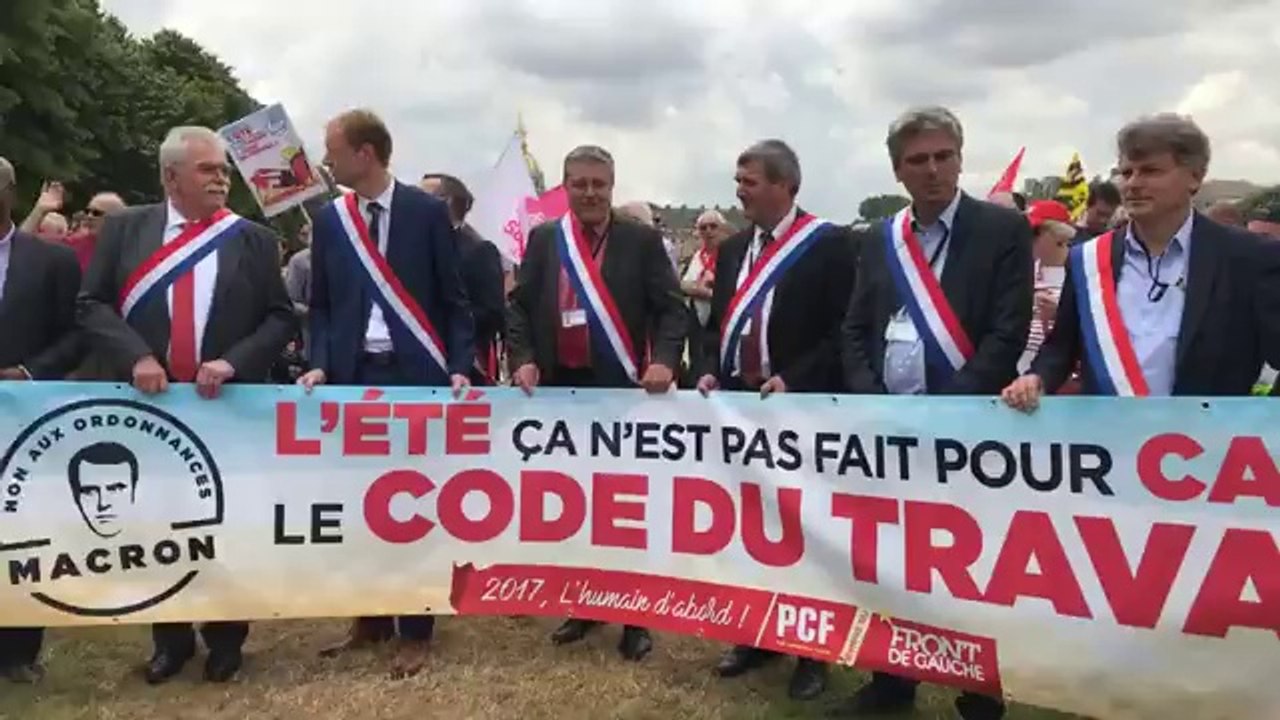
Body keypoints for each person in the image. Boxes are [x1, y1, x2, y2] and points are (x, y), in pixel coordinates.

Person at [78, 126, 296, 685]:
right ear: (171, 177)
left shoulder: (249, 237)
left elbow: (279, 317)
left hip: (223, 406)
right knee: (154, 521)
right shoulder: (126, 229)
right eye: (208, 170)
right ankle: (169, 640)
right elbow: (93, 304)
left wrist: (233, 362)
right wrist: (135, 358)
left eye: (224, 169)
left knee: (224, 520)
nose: (223, 178)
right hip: (147, 407)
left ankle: (226, 639)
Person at [835, 107, 1031, 720]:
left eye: (943, 155)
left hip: (967, 428)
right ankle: (892, 683)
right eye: (918, 160)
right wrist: (871, 400)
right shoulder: (879, 237)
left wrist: (950, 410)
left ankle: (978, 691)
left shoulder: (1001, 230)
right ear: (898, 170)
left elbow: (1008, 330)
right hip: (889, 430)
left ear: (961, 158)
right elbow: (856, 326)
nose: (933, 169)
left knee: (969, 564)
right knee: (890, 560)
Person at [298, 110, 474, 679]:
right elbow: (322, 306)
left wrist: (458, 367)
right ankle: (370, 618)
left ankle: (416, 628)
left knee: (412, 506)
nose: (326, 162)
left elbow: (454, 301)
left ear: (365, 154)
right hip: (352, 377)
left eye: (333, 151)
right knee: (357, 502)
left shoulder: (426, 213)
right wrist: (321, 365)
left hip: (413, 374)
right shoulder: (330, 221)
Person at [506, 144, 685, 661]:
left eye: (598, 184)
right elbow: (517, 309)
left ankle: (635, 618)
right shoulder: (545, 240)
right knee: (576, 506)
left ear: (612, 186)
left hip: (623, 393)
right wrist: (523, 356)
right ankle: (585, 604)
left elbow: (672, 313)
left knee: (626, 508)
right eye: (579, 183)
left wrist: (667, 362)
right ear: (565, 187)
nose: (589, 193)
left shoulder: (641, 241)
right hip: (561, 394)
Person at [696, 140, 858, 702]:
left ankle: (814, 652)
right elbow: (718, 325)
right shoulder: (737, 247)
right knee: (751, 529)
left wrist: (797, 376)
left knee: (805, 529)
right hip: (739, 408)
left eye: (751, 180)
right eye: (737, 179)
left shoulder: (829, 245)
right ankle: (756, 634)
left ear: (787, 185)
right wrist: (710, 369)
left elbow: (844, 330)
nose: (740, 189)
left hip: (800, 406)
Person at [1003, 113, 1280, 408]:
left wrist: (1264, 422)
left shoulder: (1248, 257)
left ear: (1195, 177)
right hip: (1112, 442)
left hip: (1212, 444)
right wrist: (1037, 379)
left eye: (1151, 171)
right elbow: (1061, 348)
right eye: (1126, 173)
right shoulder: (1086, 259)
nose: (1133, 184)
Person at [0, 156, 83, 684]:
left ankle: (17, 653)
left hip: (23, 418)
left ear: (9, 192)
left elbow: (76, 334)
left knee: (22, 530)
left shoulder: (50, 262)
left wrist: (30, 372)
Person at [421, 172, 505, 385]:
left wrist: (446, 320)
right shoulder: (418, 245)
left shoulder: (478, 249)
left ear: (445, 201)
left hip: (465, 366)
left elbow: (491, 310)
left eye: (421, 197)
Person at [1019, 200, 1074, 374]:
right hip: (1014, 372)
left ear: (1060, 238)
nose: (1028, 238)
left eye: (1035, 232)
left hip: (1051, 377)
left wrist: (1059, 314)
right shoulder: (1018, 271)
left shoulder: (1077, 275)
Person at [680, 210, 729, 380]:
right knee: (696, 361)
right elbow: (682, 284)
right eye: (703, 228)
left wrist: (706, 292)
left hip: (719, 318)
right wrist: (697, 289)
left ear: (723, 229)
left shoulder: (730, 255)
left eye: (713, 227)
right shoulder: (697, 257)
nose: (708, 231)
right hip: (696, 317)